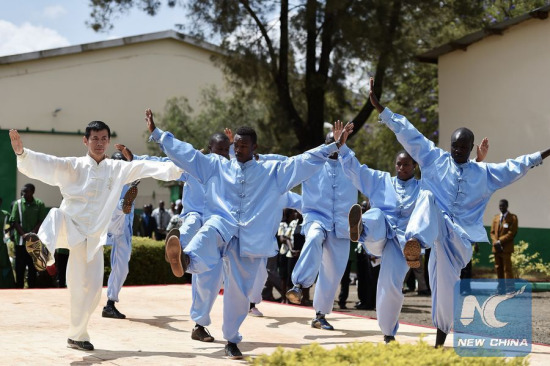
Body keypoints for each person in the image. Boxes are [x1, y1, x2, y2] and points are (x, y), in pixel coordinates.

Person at [147, 108, 353, 359]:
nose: (238, 150)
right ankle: (187, 259)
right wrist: (159, 135)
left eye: (244, 146)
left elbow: (302, 161)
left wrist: (331, 147)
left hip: (251, 240)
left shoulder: (272, 172)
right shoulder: (218, 166)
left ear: (254, 148)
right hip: (223, 225)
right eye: (236, 145)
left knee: (239, 294)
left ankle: (231, 339)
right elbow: (188, 154)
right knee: (208, 231)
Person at [368, 77, 550, 347]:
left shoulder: (484, 173)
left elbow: (516, 166)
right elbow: (409, 132)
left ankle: (440, 340)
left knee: (445, 291)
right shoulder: (433, 158)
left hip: (459, 241)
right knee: (428, 196)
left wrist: (546, 152)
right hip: (433, 230)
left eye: (462, 148)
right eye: (453, 146)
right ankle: (414, 243)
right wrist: (380, 108)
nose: (456, 151)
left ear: (471, 148)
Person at [8, 122, 183, 351]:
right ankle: (44, 252)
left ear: (108, 141)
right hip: (68, 226)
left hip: (92, 240)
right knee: (55, 214)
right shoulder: (74, 166)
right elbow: (48, 164)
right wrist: (23, 153)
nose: (99, 143)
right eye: (94, 138)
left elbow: (147, 167)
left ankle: (77, 336)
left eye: (103, 138)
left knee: (89, 294)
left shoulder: (117, 169)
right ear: (85, 141)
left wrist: (185, 165)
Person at [286, 130, 358, 331]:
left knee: (333, 272)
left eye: (338, 143)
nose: (334, 147)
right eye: (331, 143)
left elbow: (370, 180)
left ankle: (320, 316)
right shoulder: (310, 164)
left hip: (342, 225)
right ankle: (299, 285)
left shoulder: (351, 165)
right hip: (316, 217)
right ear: (324, 144)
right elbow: (285, 162)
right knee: (315, 235)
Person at [101, 148, 141, 320]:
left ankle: (110, 304)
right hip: (107, 219)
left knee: (122, 266)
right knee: (119, 208)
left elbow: (148, 166)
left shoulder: (131, 178)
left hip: (124, 228)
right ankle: (122, 205)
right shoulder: (106, 178)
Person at [10, 183, 47, 288]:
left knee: (32, 267)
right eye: (23, 191)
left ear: (32, 192)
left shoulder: (39, 204)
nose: (23, 194)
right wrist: (24, 235)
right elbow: (14, 221)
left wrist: (32, 234)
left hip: (34, 242)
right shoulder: (18, 204)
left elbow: (41, 221)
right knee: (20, 268)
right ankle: (19, 289)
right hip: (21, 242)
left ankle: (32, 289)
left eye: (26, 191)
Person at [490, 199, 518, 280]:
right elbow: (492, 232)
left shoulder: (512, 218)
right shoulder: (496, 218)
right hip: (496, 248)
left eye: (503, 206)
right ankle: (500, 288)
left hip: (506, 248)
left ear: (507, 206)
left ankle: (509, 289)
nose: (501, 207)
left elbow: (511, 233)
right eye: (500, 206)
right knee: (498, 268)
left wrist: (500, 241)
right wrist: (495, 242)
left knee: (507, 269)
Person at [1, 197, 16, 288]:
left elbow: (12, 224)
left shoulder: (5, 214)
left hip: (2, 244)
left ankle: (6, 285)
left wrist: (8, 234)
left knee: (4, 264)